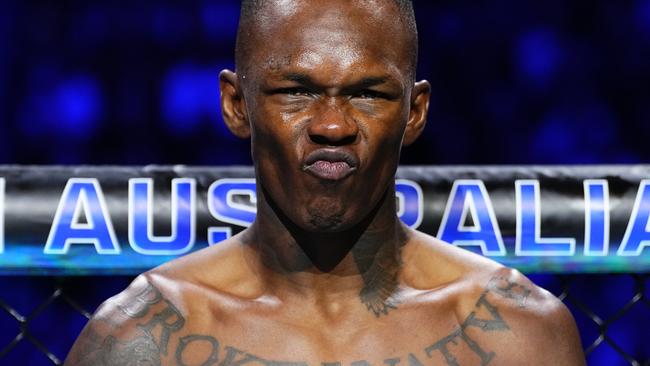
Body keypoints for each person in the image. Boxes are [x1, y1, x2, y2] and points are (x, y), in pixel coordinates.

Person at [65, 0, 586, 365]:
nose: (332, 126)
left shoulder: (518, 335)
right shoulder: (142, 337)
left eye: (369, 94)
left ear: (415, 112)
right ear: (235, 104)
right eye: (295, 91)